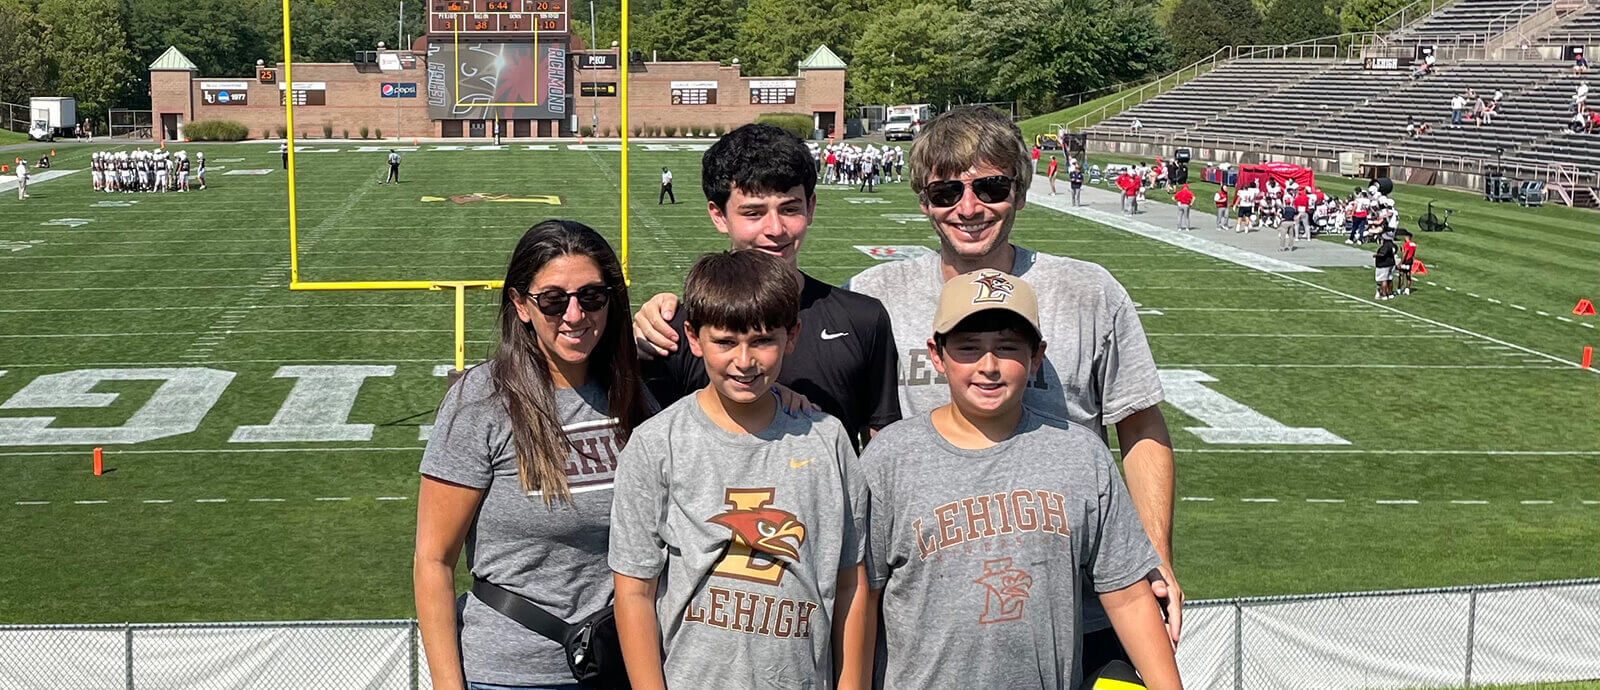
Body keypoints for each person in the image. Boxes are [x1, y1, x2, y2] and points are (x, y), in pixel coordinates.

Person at [842, 106, 1182, 670]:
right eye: (947, 191)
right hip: (926, 612)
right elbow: (777, 357)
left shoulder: (1087, 291)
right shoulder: (872, 295)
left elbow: (1140, 423)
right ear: (924, 202)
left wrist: (1152, 556)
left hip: (1081, 601)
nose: (969, 208)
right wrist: (658, 321)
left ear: (1021, 192)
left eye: (992, 187)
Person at [861, 269, 1181, 690]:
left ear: (1036, 357)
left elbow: (1126, 594)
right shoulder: (889, 460)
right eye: (969, 348)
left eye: (1007, 348)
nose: (988, 366)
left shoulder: (1081, 455)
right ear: (936, 355)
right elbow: (862, 598)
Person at [609, 249, 873, 690]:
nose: (745, 361)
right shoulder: (658, 444)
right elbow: (635, 590)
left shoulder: (828, 440)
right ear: (693, 338)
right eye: (726, 341)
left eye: (763, 340)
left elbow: (850, 583)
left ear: (792, 337)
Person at [414, 219, 654, 690]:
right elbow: (432, 561)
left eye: (592, 297)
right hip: (509, 674)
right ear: (521, 305)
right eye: (553, 300)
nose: (574, 315)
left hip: (620, 665)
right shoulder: (480, 402)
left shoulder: (637, 395)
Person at [630, 124, 901, 447]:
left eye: (789, 209)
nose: (775, 228)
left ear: (811, 207)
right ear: (718, 215)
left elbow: (882, 449)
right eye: (753, 212)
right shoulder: (676, 331)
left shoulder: (862, 319)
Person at [1374, 232, 1398, 300]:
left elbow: (1383, 254)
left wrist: (1376, 255)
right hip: (1391, 263)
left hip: (1384, 264)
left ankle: (1384, 294)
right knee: (1389, 279)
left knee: (1383, 279)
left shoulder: (1386, 245)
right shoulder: (1393, 245)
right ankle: (1390, 293)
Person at [1397, 230, 1417, 295]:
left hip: (1405, 260)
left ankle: (1399, 289)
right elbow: (1413, 253)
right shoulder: (1413, 244)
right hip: (1410, 260)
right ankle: (1407, 289)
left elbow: (1405, 254)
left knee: (1401, 275)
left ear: (1407, 237)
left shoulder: (1406, 244)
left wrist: (1401, 263)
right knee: (1408, 275)